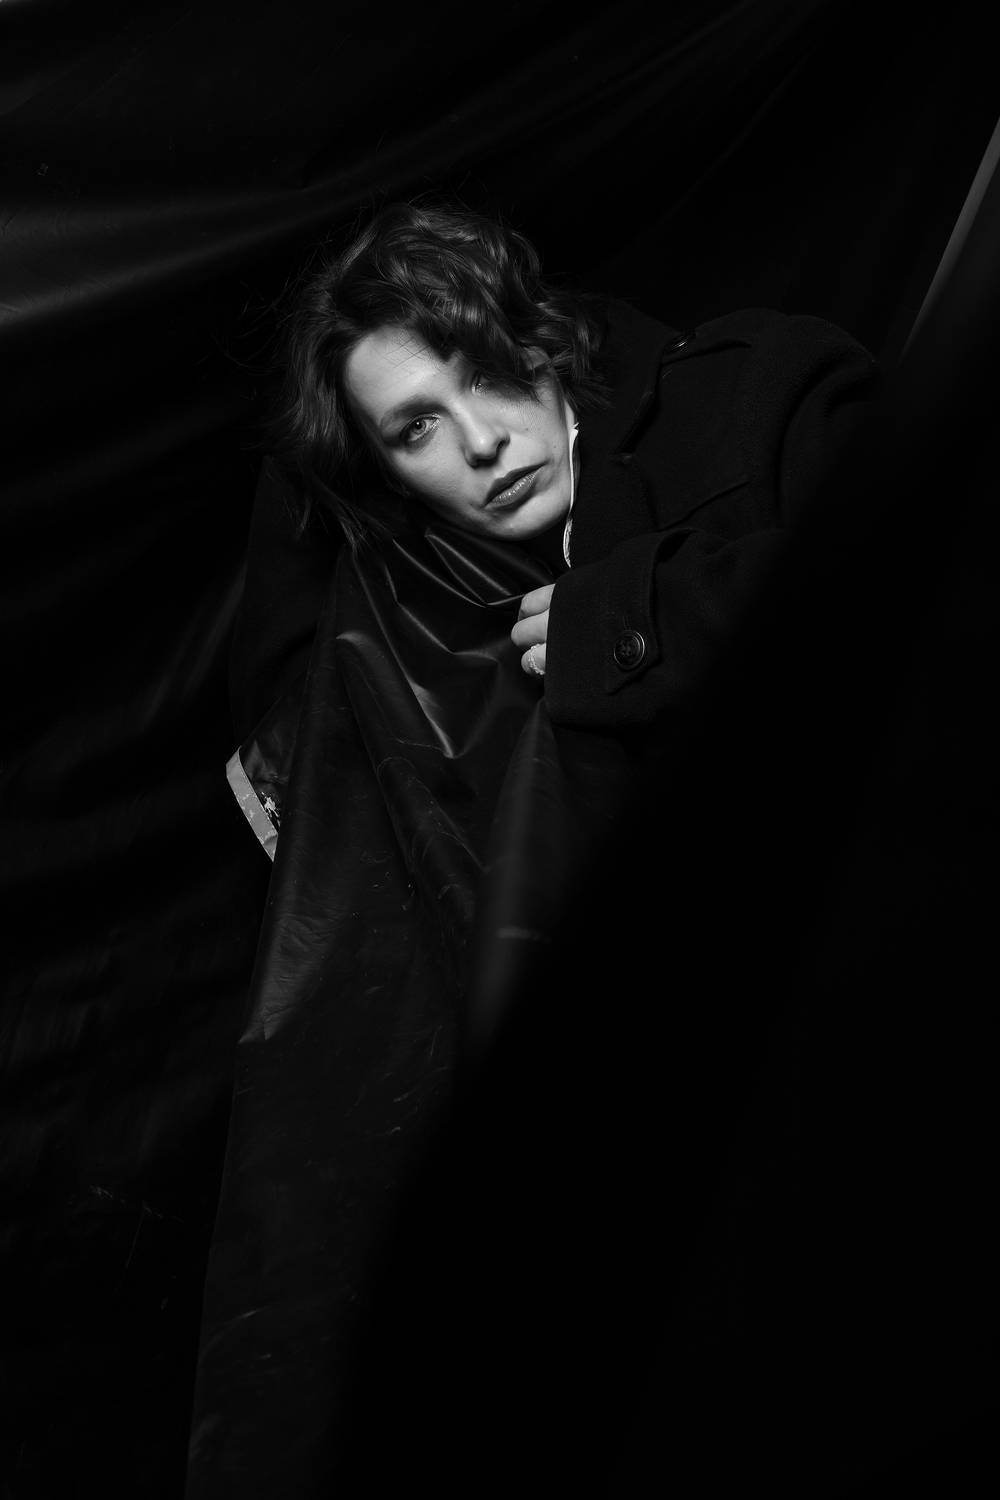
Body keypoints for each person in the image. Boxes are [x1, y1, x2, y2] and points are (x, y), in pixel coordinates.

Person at [190, 195, 880, 1497]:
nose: (481, 442)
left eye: (484, 370)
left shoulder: (751, 386)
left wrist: (630, 622)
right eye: (415, 429)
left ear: (544, 337)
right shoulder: (414, 627)